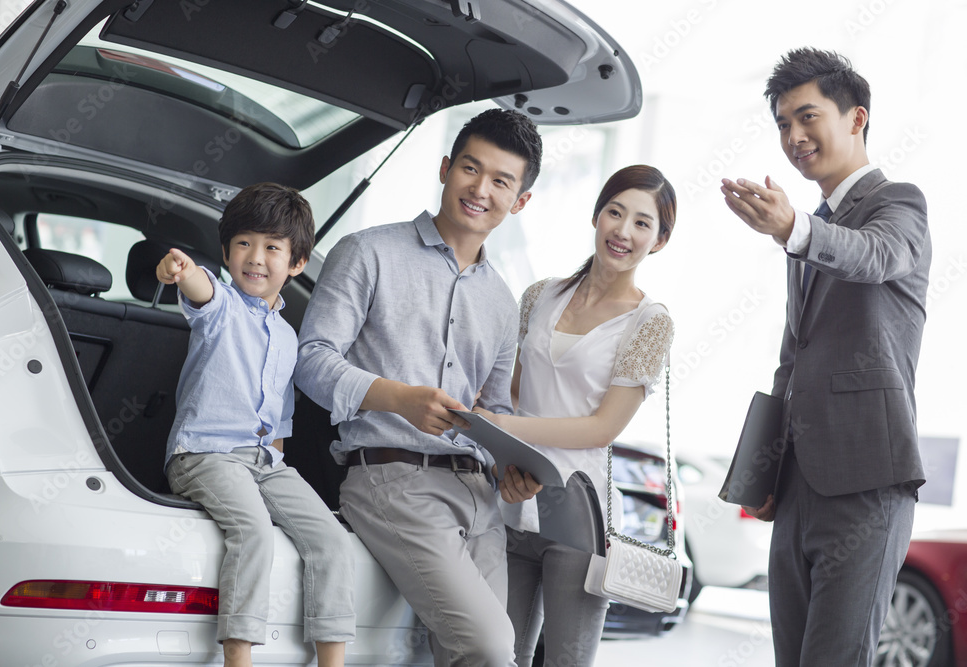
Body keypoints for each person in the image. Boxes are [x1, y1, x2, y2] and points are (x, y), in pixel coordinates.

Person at [295, 108, 544, 666]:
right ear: (444, 168)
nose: (480, 189)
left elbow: (498, 410)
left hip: (479, 497)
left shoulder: (504, 302)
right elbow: (309, 361)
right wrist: (397, 398)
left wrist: (511, 470)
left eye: (501, 181)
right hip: (392, 480)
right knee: (489, 647)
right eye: (470, 169)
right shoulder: (367, 252)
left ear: (520, 201)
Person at [721, 48, 930, 666]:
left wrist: (794, 232)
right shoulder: (811, 224)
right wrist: (765, 470)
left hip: (868, 479)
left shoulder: (900, 205)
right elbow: (794, 359)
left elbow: (875, 257)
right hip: (796, 485)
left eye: (807, 117)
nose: (793, 136)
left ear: (857, 118)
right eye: (783, 123)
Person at [472, 165, 676, 667]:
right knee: (499, 654)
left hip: (579, 515)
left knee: (566, 660)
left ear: (660, 240)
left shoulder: (650, 322)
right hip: (514, 497)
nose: (623, 231)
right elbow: (515, 391)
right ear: (596, 215)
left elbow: (603, 427)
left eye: (642, 223)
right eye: (615, 212)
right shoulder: (540, 295)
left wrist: (507, 428)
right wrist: (504, 451)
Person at [157, 183, 355, 667]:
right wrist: (180, 271)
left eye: (272, 248)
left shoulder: (288, 336)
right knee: (254, 531)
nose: (256, 258)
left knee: (331, 539)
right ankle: (238, 658)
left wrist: (278, 473)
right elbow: (199, 286)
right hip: (204, 453)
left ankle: (332, 659)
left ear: (297, 263)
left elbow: (280, 416)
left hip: (265, 461)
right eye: (244, 244)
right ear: (226, 253)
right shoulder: (220, 305)